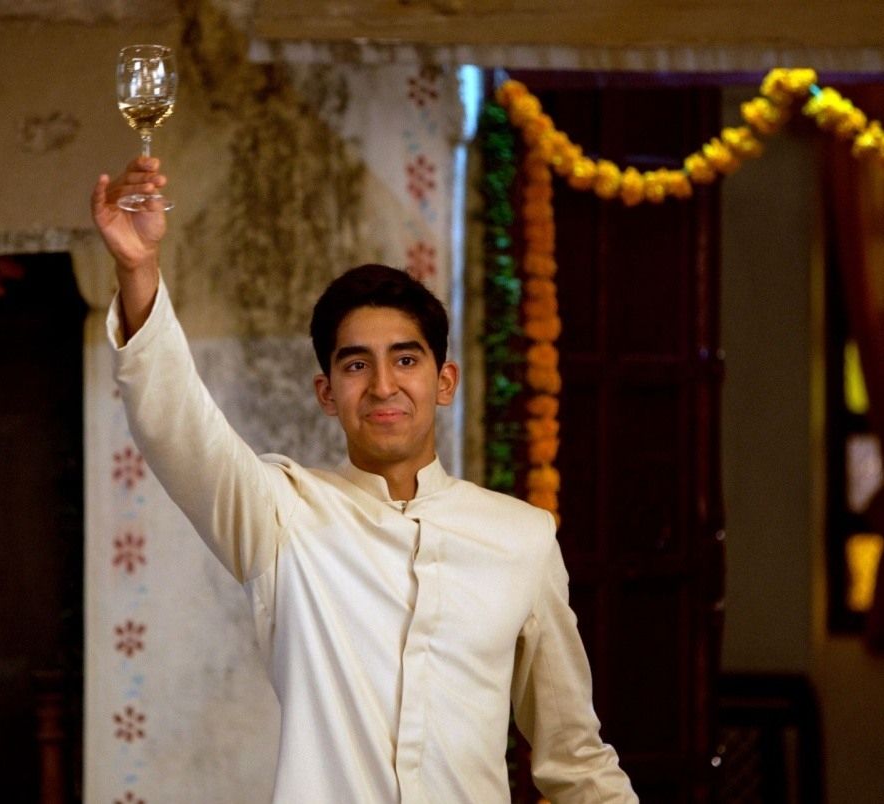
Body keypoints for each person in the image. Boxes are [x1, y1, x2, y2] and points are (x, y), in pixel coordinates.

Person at [91, 157, 637, 803]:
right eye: (356, 365)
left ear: (443, 382)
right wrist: (138, 270)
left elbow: (574, 758)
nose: (382, 386)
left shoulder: (521, 538)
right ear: (327, 393)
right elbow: (177, 426)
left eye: (405, 360)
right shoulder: (283, 518)